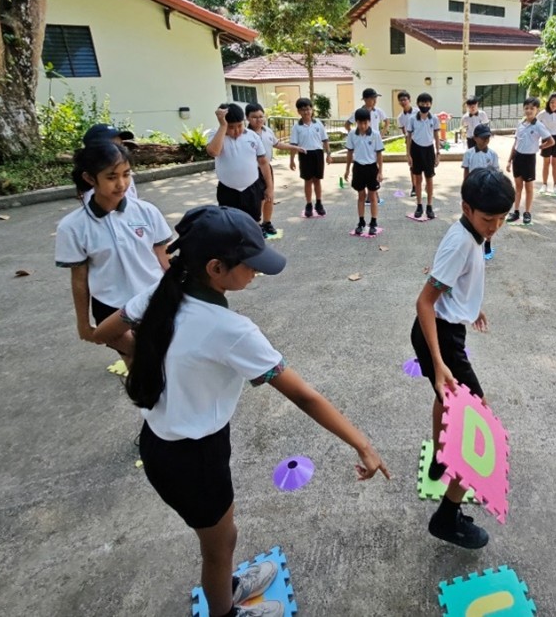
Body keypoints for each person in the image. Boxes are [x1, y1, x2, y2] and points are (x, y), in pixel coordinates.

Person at [94, 206, 389, 617]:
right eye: (249, 266)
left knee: (219, 539)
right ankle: (225, 610)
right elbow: (304, 396)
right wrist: (363, 444)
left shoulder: (162, 291)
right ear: (215, 268)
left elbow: (103, 334)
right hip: (195, 457)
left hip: (160, 443)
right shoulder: (232, 332)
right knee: (219, 546)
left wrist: (142, 354)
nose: (257, 273)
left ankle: (226, 587)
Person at [412, 168, 516, 549]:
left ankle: (441, 457)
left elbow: (458, 282)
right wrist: (440, 363)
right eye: (489, 219)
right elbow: (424, 301)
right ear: (466, 208)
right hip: (440, 337)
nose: (495, 226)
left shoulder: (472, 234)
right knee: (478, 426)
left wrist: (472, 307)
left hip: (448, 329)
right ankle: (447, 517)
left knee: (447, 402)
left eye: (502, 219)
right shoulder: (461, 241)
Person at [56, 142, 171, 365]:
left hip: (154, 298)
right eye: (111, 177)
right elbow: (79, 279)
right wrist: (83, 323)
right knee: (138, 361)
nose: (121, 184)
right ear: (90, 179)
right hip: (110, 307)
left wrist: (185, 294)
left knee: (162, 361)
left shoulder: (147, 212)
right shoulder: (72, 226)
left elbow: (165, 258)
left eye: (126, 174)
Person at [206, 104, 273, 223]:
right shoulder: (216, 134)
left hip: (252, 188)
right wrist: (223, 125)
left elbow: (263, 163)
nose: (236, 131)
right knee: (229, 223)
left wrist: (269, 187)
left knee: (252, 222)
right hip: (228, 189)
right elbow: (214, 152)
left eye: (239, 126)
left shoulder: (252, 136)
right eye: (231, 127)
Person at [245, 103, 304, 238]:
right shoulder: (246, 134)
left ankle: (267, 222)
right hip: (253, 170)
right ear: (247, 118)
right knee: (259, 199)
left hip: (267, 168)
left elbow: (277, 144)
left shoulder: (267, 131)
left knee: (269, 196)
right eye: (254, 117)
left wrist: (293, 147)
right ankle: (257, 225)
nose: (258, 120)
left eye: (261, 116)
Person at [505, 97, 554, 225]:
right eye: (526, 108)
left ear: (537, 110)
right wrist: (509, 160)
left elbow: (551, 141)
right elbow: (515, 143)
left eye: (532, 108)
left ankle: (527, 212)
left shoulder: (539, 125)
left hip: (529, 159)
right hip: (518, 158)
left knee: (529, 187)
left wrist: (540, 147)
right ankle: (516, 211)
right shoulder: (520, 124)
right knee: (518, 187)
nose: (529, 111)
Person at [344, 107, 384, 236]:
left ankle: (373, 222)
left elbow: (379, 154)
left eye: (365, 123)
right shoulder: (352, 135)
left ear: (369, 121)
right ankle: (361, 222)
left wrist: (380, 172)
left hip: (372, 168)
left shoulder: (375, 134)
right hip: (358, 168)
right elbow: (350, 153)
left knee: (372, 196)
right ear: (356, 122)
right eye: (360, 123)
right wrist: (347, 169)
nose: (362, 126)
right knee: (361, 196)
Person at [288, 98, 332, 218]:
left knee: (317, 180)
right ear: (298, 112)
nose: (306, 112)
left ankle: (319, 203)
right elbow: (293, 145)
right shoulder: (296, 127)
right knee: (307, 180)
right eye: (303, 110)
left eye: (308, 109)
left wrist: (328, 154)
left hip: (318, 153)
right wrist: (291, 160)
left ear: (312, 109)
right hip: (304, 154)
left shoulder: (318, 123)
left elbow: (325, 140)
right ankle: (308, 204)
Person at [461, 123, 499, 259]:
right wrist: (464, 190)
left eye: (488, 137)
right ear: (475, 138)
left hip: (488, 190)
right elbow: (466, 172)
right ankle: (471, 243)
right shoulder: (469, 154)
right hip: (473, 190)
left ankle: (487, 244)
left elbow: (496, 173)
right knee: (471, 217)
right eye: (483, 138)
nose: (485, 140)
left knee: (488, 219)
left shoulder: (493, 155)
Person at [79, 123, 138, 204]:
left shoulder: (123, 173)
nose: (121, 185)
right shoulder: (94, 190)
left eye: (121, 145)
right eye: (113, 148)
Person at [406, 92, 440, 220]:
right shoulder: (412, 119)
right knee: (418, 179)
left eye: (427, 103)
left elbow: (436, 136)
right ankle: (419, 205)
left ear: (430, 104)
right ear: (418, 104)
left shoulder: (434, 119)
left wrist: (438, 153)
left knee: (429, 179)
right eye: (422, 103)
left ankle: (429, 206)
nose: (425, 105)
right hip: (416, 149)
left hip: (429, 150)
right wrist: (408, 154)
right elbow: (408, 137)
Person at [396, 92, 417, 197]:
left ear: (409, 100)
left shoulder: (418, 112)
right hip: (411, 142)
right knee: (412, 165)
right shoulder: (400, 117)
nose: (403, 102)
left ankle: (426, 186)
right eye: (401, 100)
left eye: (405, 99)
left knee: (426, 166)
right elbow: (404, 132)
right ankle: (414, 187)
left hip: (423, 142)